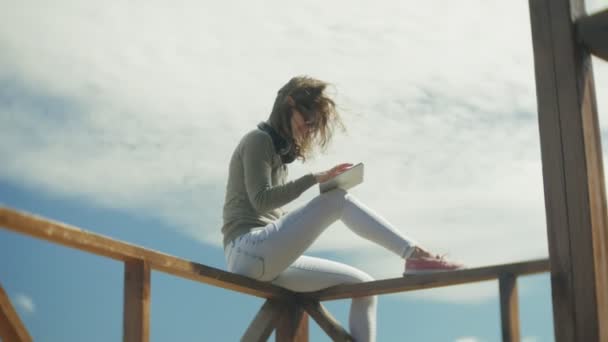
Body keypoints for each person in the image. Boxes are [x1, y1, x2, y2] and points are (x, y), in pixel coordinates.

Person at [221, 76, 463, 342]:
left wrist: (312, 198)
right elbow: (261, 201)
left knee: (364, 287)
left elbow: (268, 210)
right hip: (245, 249)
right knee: (336, 200)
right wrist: (315, 179)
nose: (309, 130)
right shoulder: (258, 139)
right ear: (289, 104)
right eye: (308, 121)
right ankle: (415, 254)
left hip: (264, 259)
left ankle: (414, 257)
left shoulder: (278, 153)